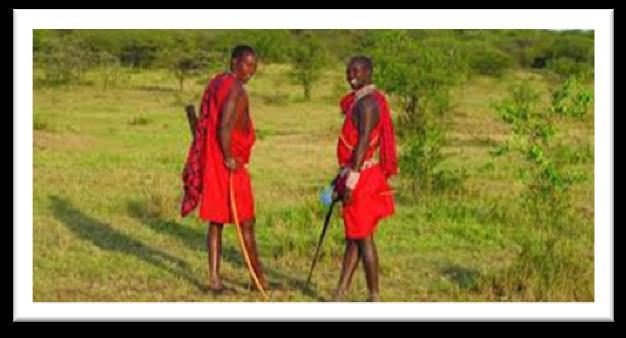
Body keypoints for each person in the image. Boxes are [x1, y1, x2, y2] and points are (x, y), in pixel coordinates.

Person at [181, 45, 268, 293]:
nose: (250, 70)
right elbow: (224, 128)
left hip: (214, 161)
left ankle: (215, 280)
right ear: (233, 62)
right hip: (227, 163)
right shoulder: (236, 89)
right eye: (245, 64)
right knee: (247, 222)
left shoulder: (218, 82)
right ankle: (257, 280)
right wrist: (230, 157)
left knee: (216, 222)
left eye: (253, 65)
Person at [332, 56, 398, 302]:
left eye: (357, 71)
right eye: (348, 71)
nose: (351, 75)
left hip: (363, 178)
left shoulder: (368, 104)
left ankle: (374, 296)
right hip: (356, 173)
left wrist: (350, 182)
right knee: (355, 236)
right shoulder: (358, 101)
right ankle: (341, 292)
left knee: (363, 237)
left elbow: (361, 146)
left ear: (369, 73)